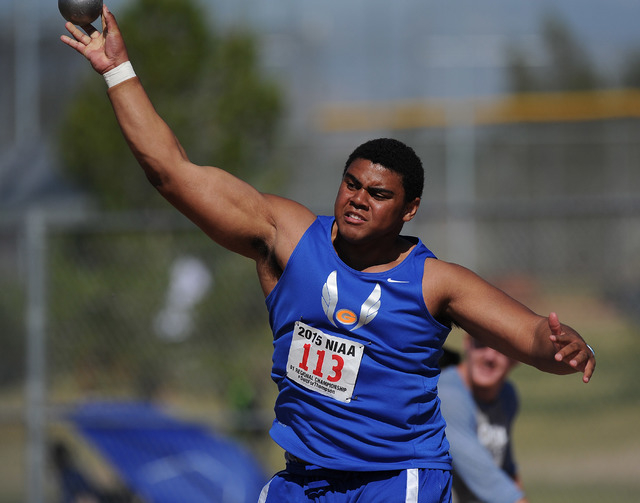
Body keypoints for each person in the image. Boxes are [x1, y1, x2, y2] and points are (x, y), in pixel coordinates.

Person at [60, 7, 596, 502]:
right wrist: (117, 70)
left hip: (395, 478)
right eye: (351, 184)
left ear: (409, 210)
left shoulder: (435, 283)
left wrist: (563, 346)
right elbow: (172, 173)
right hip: (303, 479)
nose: (359, 199)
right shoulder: (286, 235)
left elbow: (529, 337)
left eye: (379, 194)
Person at [439, 335, 526, 503]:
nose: (489, 356)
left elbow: (507, 471)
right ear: (467, 344)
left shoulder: (507, 396)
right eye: (481, 344)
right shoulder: (447, 396)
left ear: (517, 357)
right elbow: (490, 482)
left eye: (501, 348)